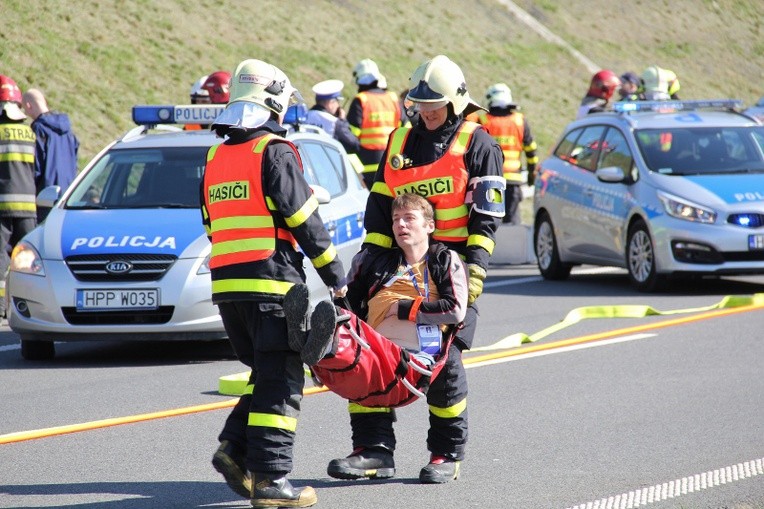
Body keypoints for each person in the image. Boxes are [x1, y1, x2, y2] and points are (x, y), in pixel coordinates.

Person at [327, 54, 505, 485]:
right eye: (421, 103)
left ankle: (445, 453)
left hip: (450, 267)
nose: (426, 112)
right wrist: (365, 268)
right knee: (364, 357)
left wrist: (476, 270)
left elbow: (486, 219)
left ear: (457, 102)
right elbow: (380, 209)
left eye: (435, 105)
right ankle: (373, 451)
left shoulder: (479, 144)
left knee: (444, 366)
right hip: (394, 266)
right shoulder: (399, 142)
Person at [201, 58, 347, 508]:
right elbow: (303, 218)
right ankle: (272, 482)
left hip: (228, 288)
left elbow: (210, 223)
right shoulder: (274, 151)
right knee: (283, 378)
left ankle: (235, 449)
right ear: (274, 104)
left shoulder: (213, 155)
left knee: (264, 373)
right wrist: (335, 276)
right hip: (272, 285)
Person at [283, 193, 468, 410]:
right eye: (396, 218)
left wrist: (403, 308)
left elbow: (455, 310)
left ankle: (320, 356)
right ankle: (313, 346)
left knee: (352, 353)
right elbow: (348, 303)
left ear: (429, 226)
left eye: (409, 218)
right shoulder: (378, 262)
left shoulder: (444, 260)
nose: (400, 224)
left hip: (412, 361)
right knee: (340, 320)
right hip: (371, 346)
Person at [472, 83, 538, 225]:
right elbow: (531, 150)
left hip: (491, 179)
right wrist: (532, 174)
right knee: (512, 222)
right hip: (513, 180)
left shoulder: (483, 120)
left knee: (490, 218)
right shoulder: (520, 120)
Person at [0, 75, 37, 319]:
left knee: (0, 259)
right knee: (29, 263)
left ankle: (1, 306)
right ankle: (31, 306)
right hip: (29, 208)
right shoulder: (30, 134)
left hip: (2, 207)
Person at [21, 88, 80, 220]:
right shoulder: (68, 132)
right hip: (68, 196)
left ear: (29, 106)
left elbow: (35, 166)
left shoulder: (38, 129)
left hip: (45, 198)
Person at [346, 58, 403, 188]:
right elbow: (406, 129)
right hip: (393, 163)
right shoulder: (393, 98)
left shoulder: (361, 100)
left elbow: (351, 137)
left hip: (367, 167)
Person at [303, 79, 358, 154]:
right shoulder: (334, 122)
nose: (338, 105)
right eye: (337, 101)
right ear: (330, 103)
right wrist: (343, 121)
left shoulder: (303, 117)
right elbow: (354, 145)